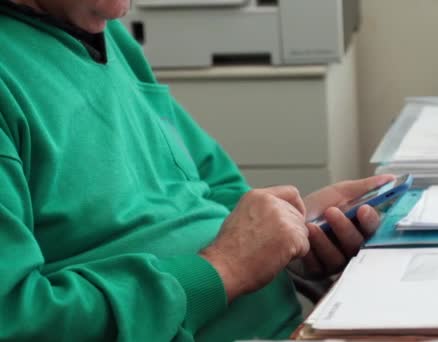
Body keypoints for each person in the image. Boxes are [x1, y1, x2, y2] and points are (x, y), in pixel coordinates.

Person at [0, 0, 394, 340]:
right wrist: (220, 270)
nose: (119, 9)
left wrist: (293, 233)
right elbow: (19, 321)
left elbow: (211, 188)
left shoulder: (108, 37)